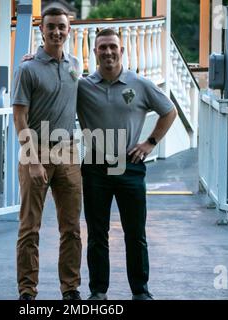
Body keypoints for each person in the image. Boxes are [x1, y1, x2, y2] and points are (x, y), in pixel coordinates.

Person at [77, 28, 177, 300]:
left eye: (113, 47)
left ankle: (140, 291)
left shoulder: (140, 84)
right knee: (97, 234)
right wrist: (32, 61)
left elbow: (169, 111)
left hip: (130, 166)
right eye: (102, 47)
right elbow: (56, 83)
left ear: (122, 51)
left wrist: (150, 143)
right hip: (96, 165)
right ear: (95, 52)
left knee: (135, 233)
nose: (108, 51)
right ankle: (98, 291)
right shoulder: (83, 86)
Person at [11, 7, 82, 301]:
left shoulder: (75, 65)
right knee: (30, 227)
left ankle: (71, 289)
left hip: (68, 152)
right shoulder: (27, 69)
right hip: (36, 151)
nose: (56, 32)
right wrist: (33, 158)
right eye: (50, 26)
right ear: (41, 30)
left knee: (73, 229)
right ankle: (27, 291)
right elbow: (19, 118)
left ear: (68, 30)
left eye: (61, 27)